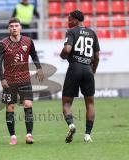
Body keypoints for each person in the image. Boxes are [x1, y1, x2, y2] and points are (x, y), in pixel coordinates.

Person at [0, 18, 44, 145]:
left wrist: (39, 68)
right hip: (9, 81)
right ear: (8, 29)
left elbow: (34, 55)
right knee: (10, 107)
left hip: (24, 79)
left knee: (28, 105)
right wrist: (2, 78)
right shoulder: (3, 44)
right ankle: (13, 136)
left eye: (16, 25)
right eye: (11, 26)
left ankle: (29, 135)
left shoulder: (28, 41)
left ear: (20, 27)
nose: (14, 28)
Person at [60, 10, 100, 143]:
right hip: (88, 69)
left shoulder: (71, 31)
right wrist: (92, 70)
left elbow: (67, 50)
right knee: (90, 103)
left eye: (69, 19)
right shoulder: (92, 33)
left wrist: (62, 54)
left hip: (74, 68)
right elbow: (97, 56)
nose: (68, 21)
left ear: (76, 20)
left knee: (66, 103)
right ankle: (88, 135)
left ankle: (71, 125)